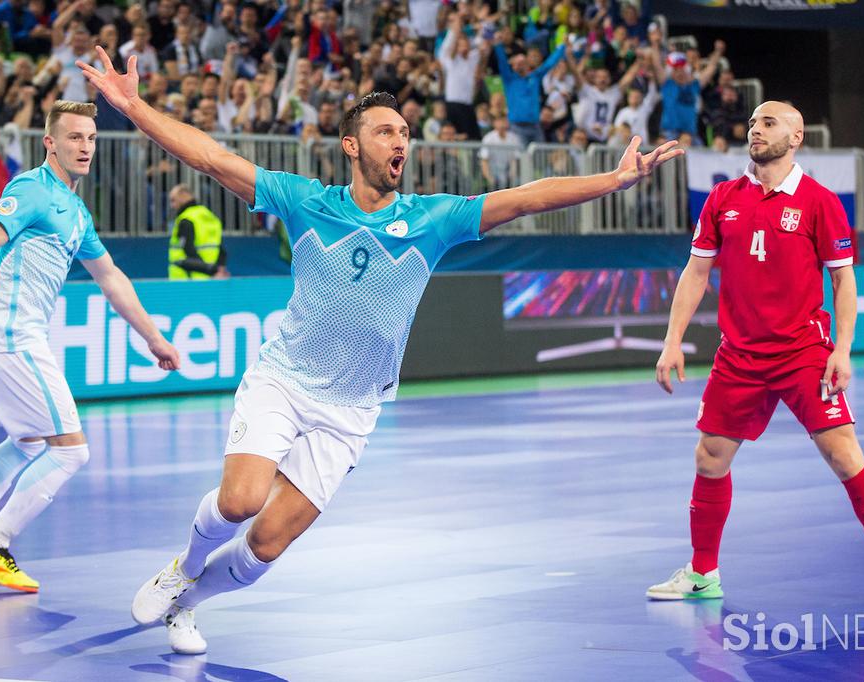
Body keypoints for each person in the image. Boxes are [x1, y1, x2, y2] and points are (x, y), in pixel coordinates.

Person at [78, 47, 682, 655]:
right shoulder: (305, 200)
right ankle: (183, 567)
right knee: (239, 502)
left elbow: (527, 197)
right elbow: (210, 158)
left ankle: (189, 603)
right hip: (286, 380)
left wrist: (614, 179)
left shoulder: (434, 219)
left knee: (265, 547)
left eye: (405, 133)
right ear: (352, 145)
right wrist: (133, 106)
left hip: (351, 410)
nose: (401, 141)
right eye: (386, 131)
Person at [647, 101, 864, 609]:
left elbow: (842, 280)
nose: (755, 130)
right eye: (752, 123)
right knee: (709, 459)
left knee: (843, 456)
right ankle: (703, 572)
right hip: (739, 355)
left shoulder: (819, 201)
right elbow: (697, 273)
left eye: (768, 123)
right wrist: (671, 340)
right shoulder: (723, 198)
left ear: (795, 138)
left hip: (802, 352)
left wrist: (842, 349)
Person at [0, 100, 180, 593]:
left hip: (19, 334)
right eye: (74, 138)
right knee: (71, 452)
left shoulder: (77, 212)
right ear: (50, 143)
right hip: (10, 332)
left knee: (27, 443)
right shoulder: (33, 190)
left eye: (91, 138)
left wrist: (154, 337)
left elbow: (111, 278)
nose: (84, 147)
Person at [168, 183, 228, 279]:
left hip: (186, 279)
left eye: (173, 200)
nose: (172, 205)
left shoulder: (186, 219)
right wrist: (217, 270)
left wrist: (210, 270)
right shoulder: (209, 215)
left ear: (183, 197)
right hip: (210, 278)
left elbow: (189, 250)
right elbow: (221, 249)